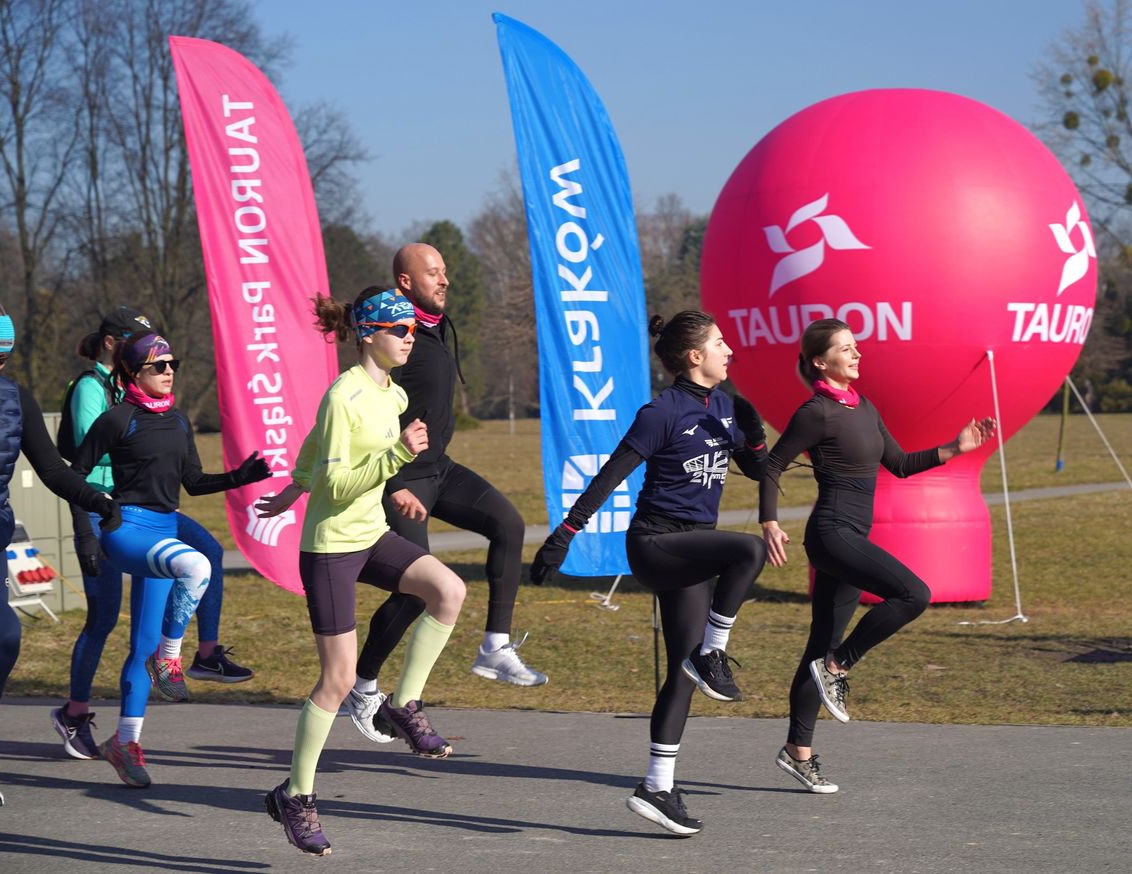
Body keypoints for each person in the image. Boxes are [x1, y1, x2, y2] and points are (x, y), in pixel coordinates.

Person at [531, 310, 769, 836]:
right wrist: (564, 535)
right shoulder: (661, 411)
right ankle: (714, 653)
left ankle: (656, 787)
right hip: (656, 543)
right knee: (748, 552)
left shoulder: (725, 406)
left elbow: (757, 469)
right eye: (720, 343)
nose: (730, 351)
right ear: (694, 356)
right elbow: (611, 474)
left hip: (693, 551)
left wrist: (753, 437)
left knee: (681, 674)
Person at [256, 287, 466, 857]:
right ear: (368, 333)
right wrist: (395, 460)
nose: (409, 338)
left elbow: (316, 451)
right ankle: (295, 796)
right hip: (329, 549)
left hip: (370, 535)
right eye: (400, 330)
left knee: (448, 589)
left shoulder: (393, 395)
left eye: (413, 331)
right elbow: (338, 481)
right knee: (339, 680)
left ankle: (405, 704)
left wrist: (290, 487)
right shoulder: (343, 394)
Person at [760, 318, 995, 794]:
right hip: (831, 534)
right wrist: (769, 521)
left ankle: (797, 752)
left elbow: (900, 465)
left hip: (849, 535)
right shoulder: (816, 412)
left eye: (856, 346)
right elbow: (772, 464)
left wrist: (955, 448)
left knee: (816, 648)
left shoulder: (864, 407)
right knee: (913, 593)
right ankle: (838, 668)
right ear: (821, 362)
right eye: (846, 348)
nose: (857, 354)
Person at [340, 243, 545, 746]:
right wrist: (392, 483)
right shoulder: (396, 337)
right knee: (417, 592)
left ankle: (494, 644)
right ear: (405, 282)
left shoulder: (432, 329)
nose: (445, 279)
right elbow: (368, 413)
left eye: (446, 271)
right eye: (433, 272)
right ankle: (363, 686)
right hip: (403, 477)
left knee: (509, 524)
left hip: (440, 469)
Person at [50, 307, 253, 762]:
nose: (164, 365)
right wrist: (86, 530)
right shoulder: (93, 390)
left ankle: (198, 656)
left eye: (169, 361)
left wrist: (237, 475)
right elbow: (82, 466)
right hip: (107, 516)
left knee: (204, 552)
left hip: (148, 512)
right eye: (152, 357)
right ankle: (75, 711)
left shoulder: (155, 404)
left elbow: (184, 474)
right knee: (102, 620)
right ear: (116, 348)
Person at [0, 302, 119, 807]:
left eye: (0, 359)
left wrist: (95, 498)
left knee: (3, 638)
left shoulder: (13, 399)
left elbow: (52, 470)